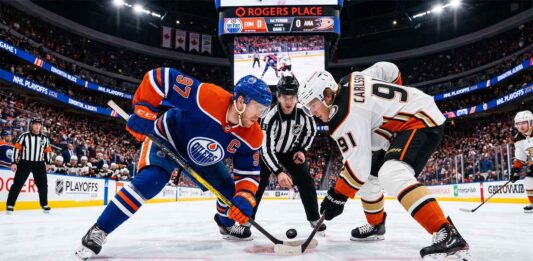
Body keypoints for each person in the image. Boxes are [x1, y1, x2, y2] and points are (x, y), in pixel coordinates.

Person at [75, 68, 271, 260]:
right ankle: (99, 230)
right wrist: (144, 111)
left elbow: (249, 172)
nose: (260, 115)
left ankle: (226, 224)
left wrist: (245, 195)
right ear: (240, 101)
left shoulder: (253, 135)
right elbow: (160, 78)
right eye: (259, 108)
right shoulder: (207, 96)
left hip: (203, 158)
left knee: (231, 193)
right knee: (151, 180)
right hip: (168, 138)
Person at [298, 70, 470, 259]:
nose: (312, 112)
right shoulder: (351, 79)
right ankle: (376, 225)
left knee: (391, 173)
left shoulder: (343, 117)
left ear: (328, 95)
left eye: (312, 105)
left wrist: (337, 195)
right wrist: (394, 104)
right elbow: (388, 70)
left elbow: (357, 169)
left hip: (419, 121)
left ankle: (447, 232)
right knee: (372, 177)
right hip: (408, 118)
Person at [252, 75, 325, 236]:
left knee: (305, 179)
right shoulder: (268, 116)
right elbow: (266, 148)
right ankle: (246, 220)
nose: (289, 101)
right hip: (269, 153)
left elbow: (311, 131)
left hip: (292, 152)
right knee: (258, 182)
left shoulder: (304, 112)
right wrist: (278, 172)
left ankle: (314, 218)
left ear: (297, 97)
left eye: (292, 97)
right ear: (278, 96)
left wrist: (302, 150)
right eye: (285, 96)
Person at [6, 118, 52, 214]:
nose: (37, 126)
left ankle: (44, 204)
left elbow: (47, 152)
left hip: (39, 164)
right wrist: (14, 162)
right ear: (31, 125)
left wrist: (48, 163)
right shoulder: (24, 136)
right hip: (25, 162)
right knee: (17, 183)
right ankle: (10, 204)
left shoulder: (45, 138)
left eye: (39, 124)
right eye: (35, 124)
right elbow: (16, 149)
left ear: (41, 126)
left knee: (43, 185)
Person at [509, 110, 533, 213]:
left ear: (530, 122)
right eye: (518, 124)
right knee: (528, 179)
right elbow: (521, 157)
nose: (520, 126)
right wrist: (515, 170)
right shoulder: (518, 139)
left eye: (523, 122)